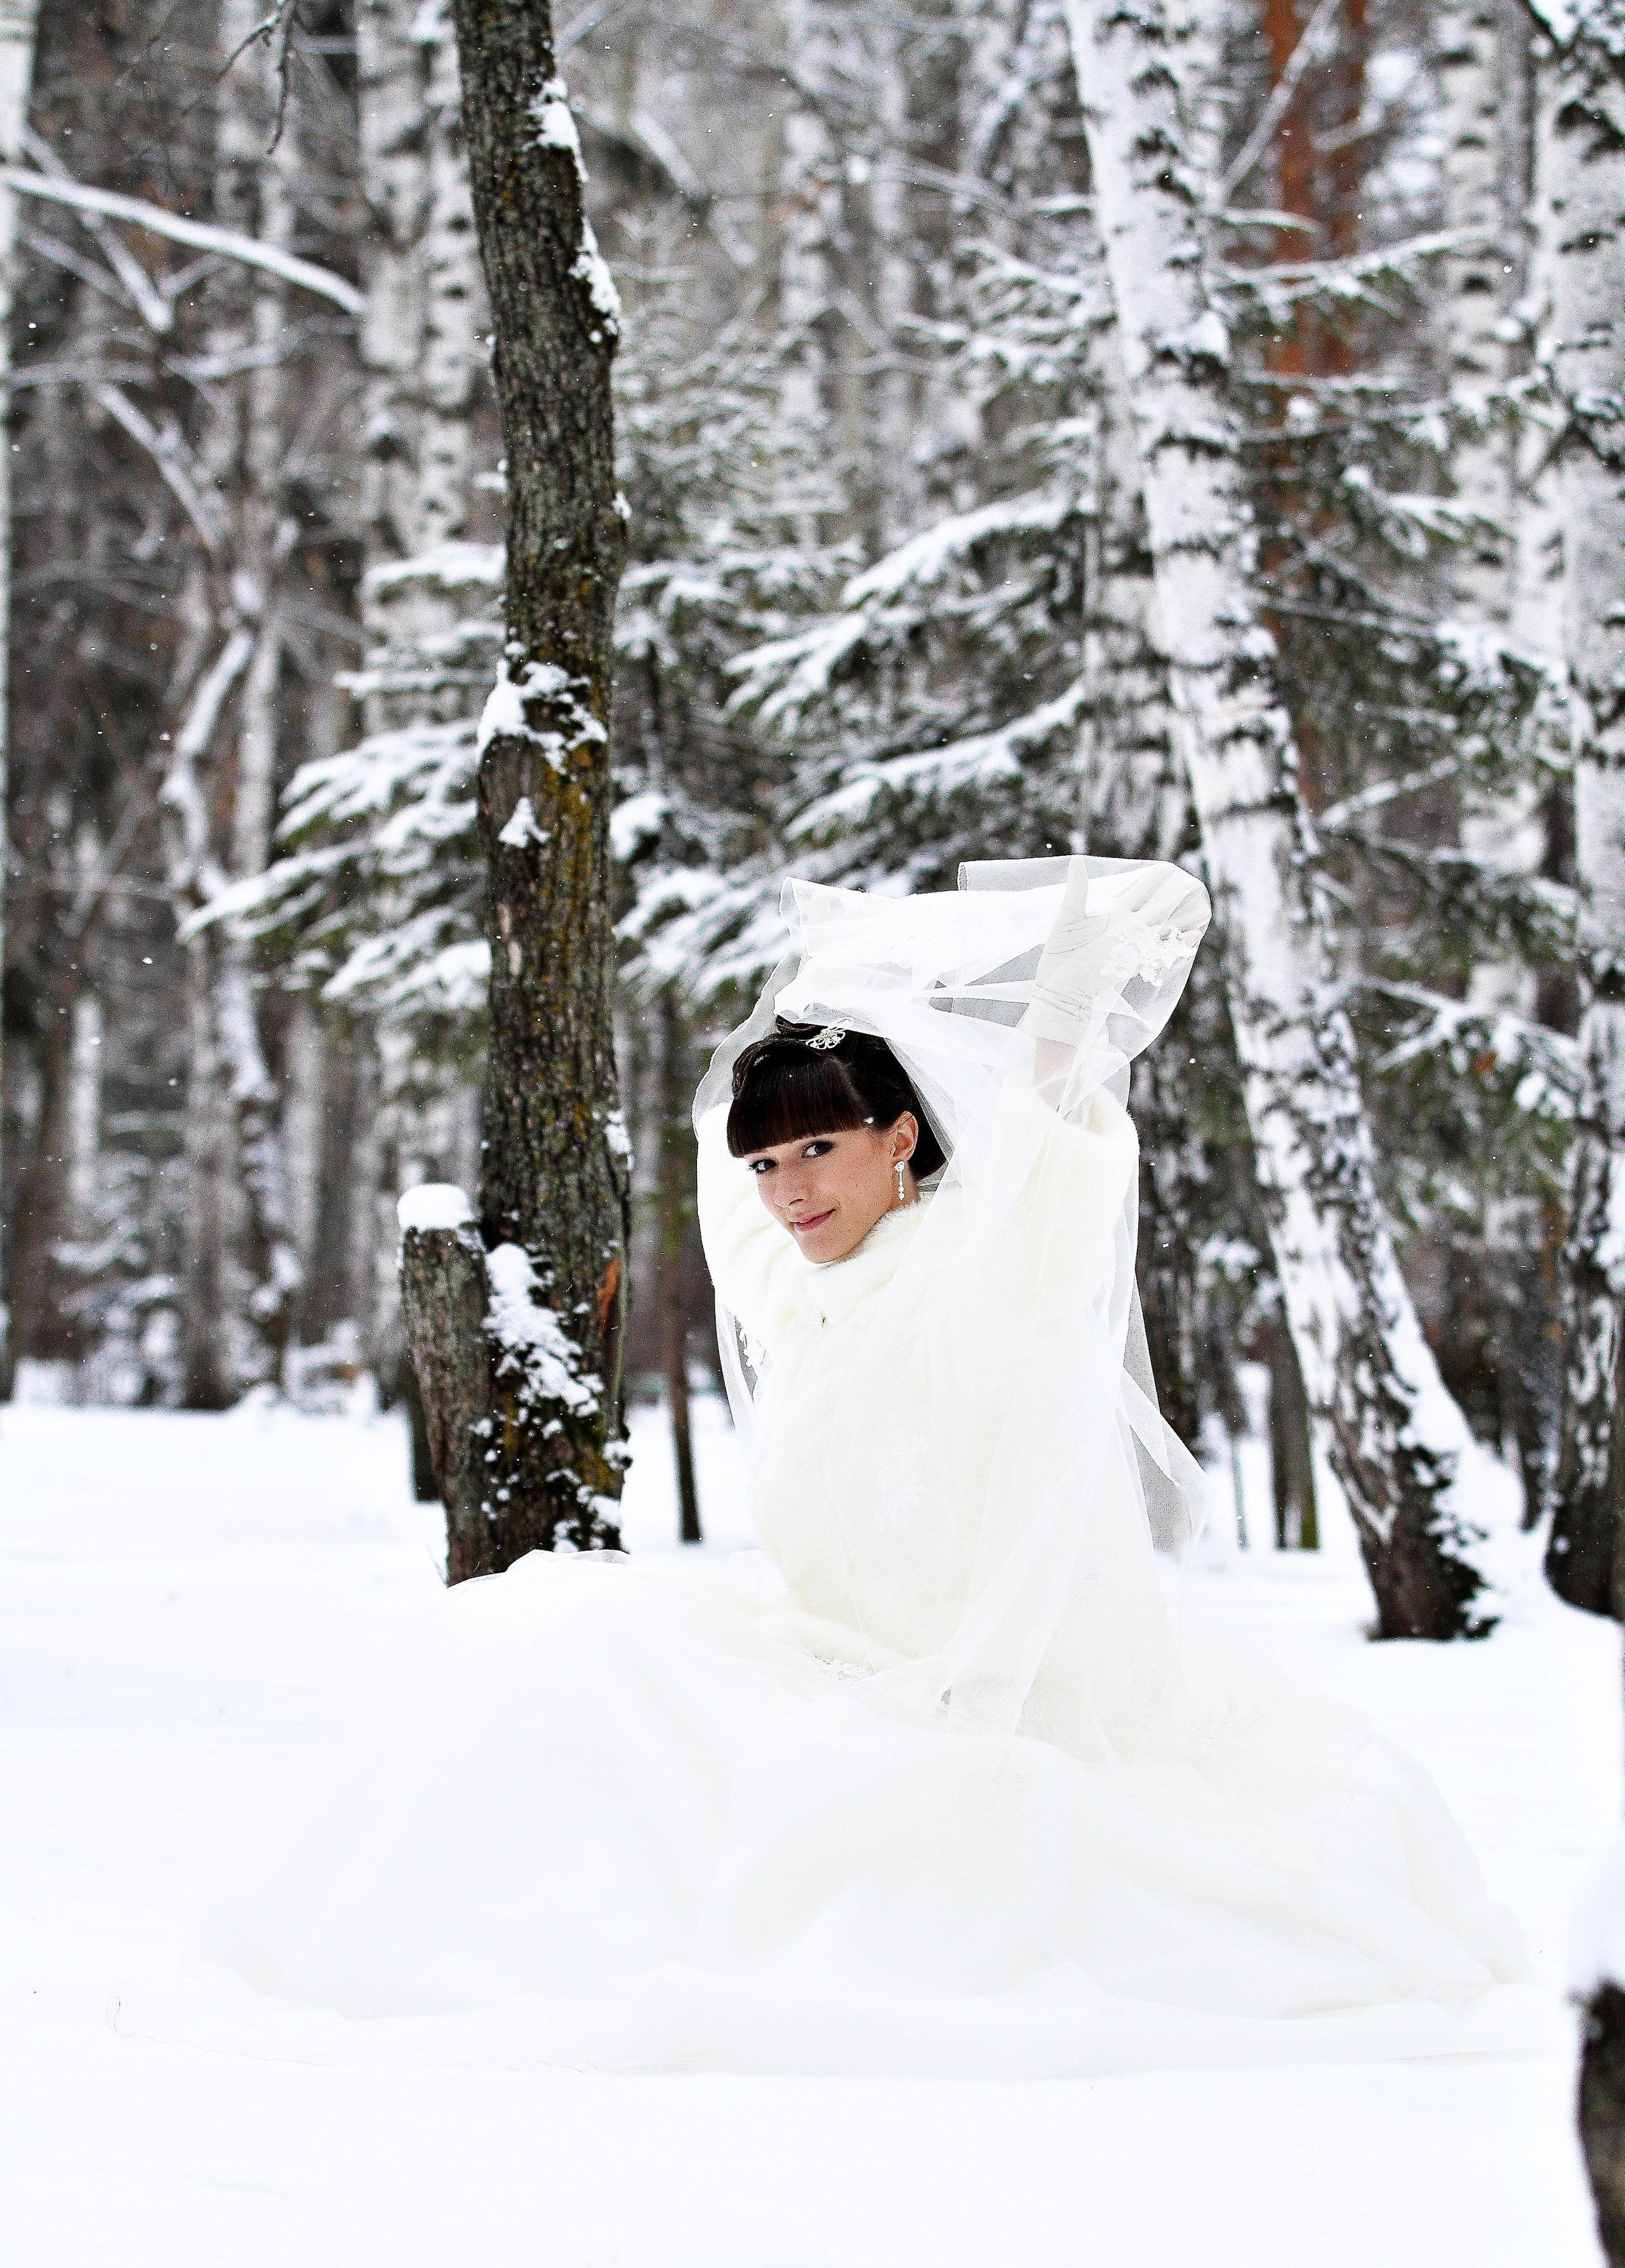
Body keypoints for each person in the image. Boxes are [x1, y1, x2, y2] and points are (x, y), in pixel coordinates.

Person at [190, 855, 1532, 2075]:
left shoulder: (982, 1265)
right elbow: (735, 1179)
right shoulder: (807, 1287)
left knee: (593, 1669)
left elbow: (1053, 1145)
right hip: (815, 1657)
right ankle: (407, 1975)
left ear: (902, 1139)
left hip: (958, 1704)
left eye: (818, 1149)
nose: (787, 1189)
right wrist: (817, 990)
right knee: (526, 1623)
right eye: (770, 1161)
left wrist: (1061, 1010)